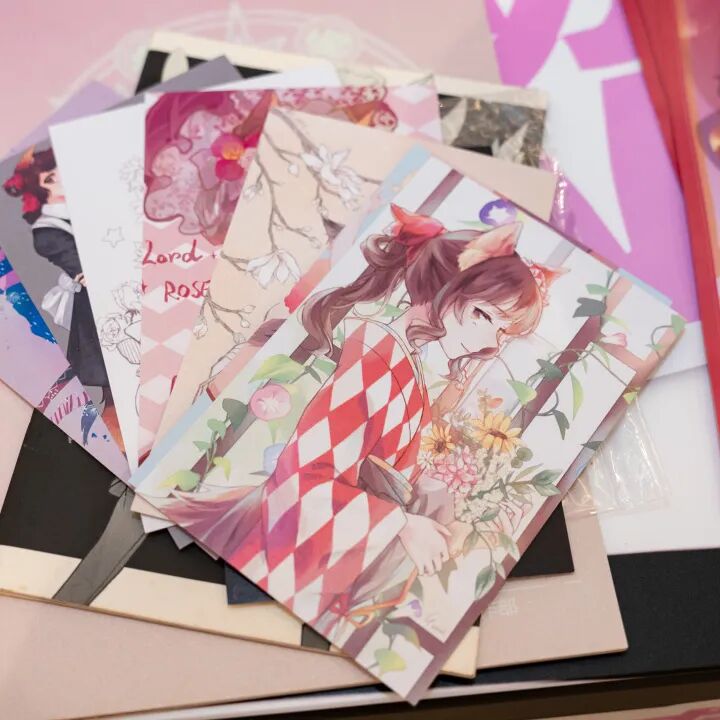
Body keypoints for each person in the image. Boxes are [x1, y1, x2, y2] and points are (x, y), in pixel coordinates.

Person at [165, 204, 550, 634]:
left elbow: (386, 473)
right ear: (442, 289)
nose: (490, 342)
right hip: (289, 551)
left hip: (323, 555)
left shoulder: (406, 367)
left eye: (503, 332)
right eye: (484, 316)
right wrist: (402, 524)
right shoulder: (377, 355)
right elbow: (303, 479)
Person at [3, 147, 110, 399]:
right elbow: (80, 266)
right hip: (97, 303)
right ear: (40, 191)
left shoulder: (90, 205)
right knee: (113, 378)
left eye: (59, 170)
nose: (60, 179)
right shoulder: (47, 229)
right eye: (50, 178)